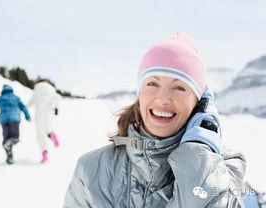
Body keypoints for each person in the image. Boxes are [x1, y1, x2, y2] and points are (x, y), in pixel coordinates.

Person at [63, 32, 246, 207]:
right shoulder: (91, 169)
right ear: (140, 93)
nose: (163, 98)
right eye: (152, 84)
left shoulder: (224, 166)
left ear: (199, 103)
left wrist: (197, 156)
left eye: (179, 88)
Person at [0, 84, 31, 164]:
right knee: (15, 138)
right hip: (14, 120)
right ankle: (9, 151)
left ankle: (10, 158)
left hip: (4, 121)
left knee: (6, 140)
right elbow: (23, 107)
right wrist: (27, 117)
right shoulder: (15, 98)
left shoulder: (0, 98)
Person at [28, 81, 61, 163]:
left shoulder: (37, 90)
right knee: (48, 128)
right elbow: (58, 97)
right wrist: (56, 107)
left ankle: (44, 153)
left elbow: (31, 102)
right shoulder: (51, 89)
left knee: (41, 136)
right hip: (49, 114)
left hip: (39, 116)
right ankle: (52, 135)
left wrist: (25, 106)